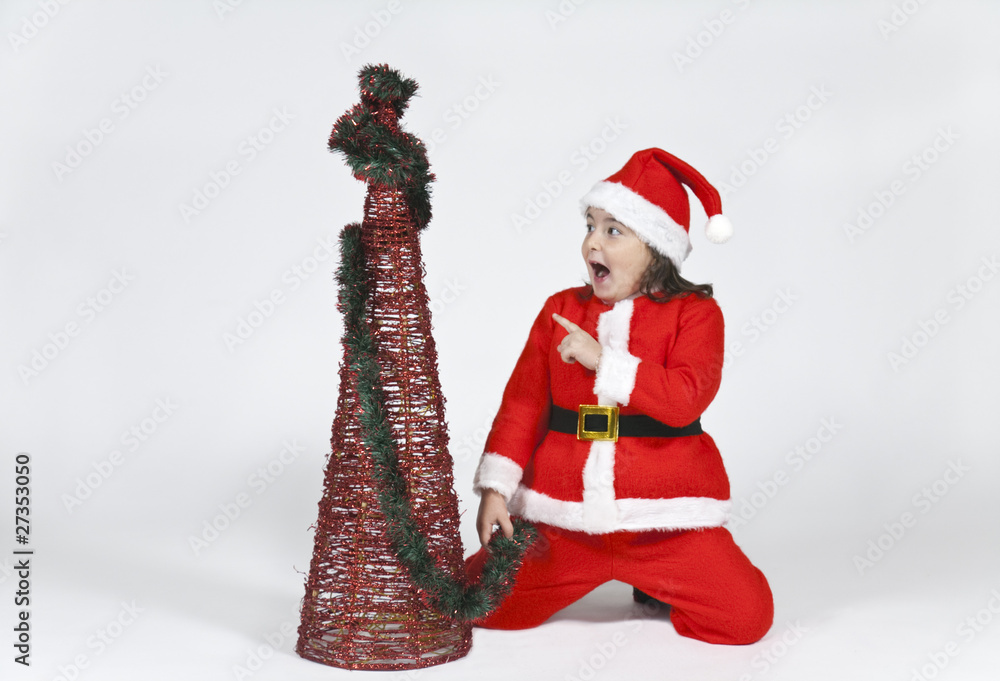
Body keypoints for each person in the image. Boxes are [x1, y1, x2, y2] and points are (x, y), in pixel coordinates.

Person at [465, 148, 773, 645]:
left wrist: (603, 361)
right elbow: (523, 405)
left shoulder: (695, 314)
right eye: (590, 225)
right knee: (471, 601)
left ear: (656, 246)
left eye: (613, 230)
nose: (592, 242)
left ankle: (658, 585)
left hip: (664, 523)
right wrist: (497, 489)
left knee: (744, 619)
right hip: (562, 521)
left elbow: (684, 400)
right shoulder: (559, 309)